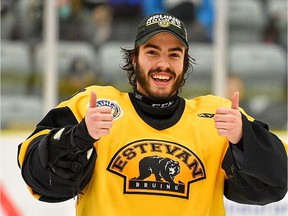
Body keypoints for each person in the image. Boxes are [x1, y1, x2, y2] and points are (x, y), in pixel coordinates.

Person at [18, 13, 287, 216]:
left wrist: (243, 140)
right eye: (152, 52)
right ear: (134, 59)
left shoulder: (216, 116)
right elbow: (36, 175)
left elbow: (276, 182)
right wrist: (78, 138)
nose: (163, 64)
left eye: (174, 54)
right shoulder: (96, 105)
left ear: (184, 62)